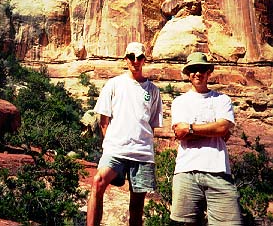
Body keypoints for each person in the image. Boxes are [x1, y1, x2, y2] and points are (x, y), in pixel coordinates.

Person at [87, 42, 163, 226]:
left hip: (142, 154)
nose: (135, 61)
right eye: (131, 57)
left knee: (137, 206)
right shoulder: (113, 84)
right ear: (126, 58)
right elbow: (103, 121)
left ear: (145, 60)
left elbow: (151, 125)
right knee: (98, 183)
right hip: (116, 150)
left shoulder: (153, 90)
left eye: (139, 57)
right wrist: (113, 143)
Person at [170, 52, 243, 226]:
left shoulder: (222, 99)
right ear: (188, 74)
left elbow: (223, 127)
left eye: (202, 69)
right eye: (193, 69)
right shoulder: (179, 102)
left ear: (209, 72)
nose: (197, 73)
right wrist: (213, 128)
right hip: (186, 171)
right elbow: (180, 133)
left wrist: (191, 128)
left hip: (218, 171)